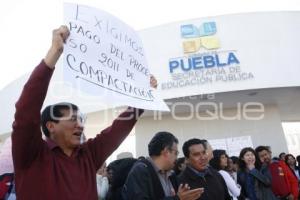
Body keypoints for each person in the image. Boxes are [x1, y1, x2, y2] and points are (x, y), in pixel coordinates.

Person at [11, 26, 156, 200]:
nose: (80, 125)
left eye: (81, 119)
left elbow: (117, 130)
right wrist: (54, 53)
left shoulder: (88, 155)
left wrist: (142, 99)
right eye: (73, 119)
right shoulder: (31, 155)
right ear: (51, 126)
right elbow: (26, 111)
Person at [122, 132, 204, 200]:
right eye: (176, 153)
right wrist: (178, 198)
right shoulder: (141, 171)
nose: (177, 158)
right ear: (166, 152)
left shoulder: (170, 174)